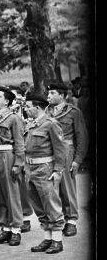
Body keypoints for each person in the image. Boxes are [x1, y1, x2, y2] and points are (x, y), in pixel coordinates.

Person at [22, 91, 68, 254]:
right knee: (39, 207)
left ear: (37, 107)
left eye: (28, 107)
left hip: (45, 169)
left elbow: (61, 149)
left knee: (51, 205)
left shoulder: (50, 123)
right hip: (31, 170)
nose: (25, 109)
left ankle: (57, 240)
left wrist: (57, 171)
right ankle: (47, 238)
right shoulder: (32, 123)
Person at [46, 80, 88, 237]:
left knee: (67, 187)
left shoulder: (73, 112)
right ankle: (58, 219)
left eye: (52, 93)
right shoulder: (46, 111)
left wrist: (78, 159)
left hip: (66, 151)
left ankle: (71, 221)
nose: (48, 96)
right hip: (48, 152)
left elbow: (82, 137)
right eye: (48, 93)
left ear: (62, 95)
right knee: (51, 187)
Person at [0, 88, 25, 246]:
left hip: (6, 156)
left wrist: (18, 163)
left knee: (11, 193)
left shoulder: (13, 118)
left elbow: (20, 143)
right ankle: (5, 228)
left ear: (6, 101)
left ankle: (16, 230)